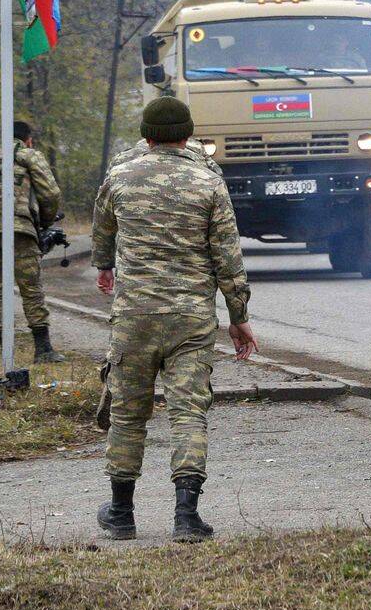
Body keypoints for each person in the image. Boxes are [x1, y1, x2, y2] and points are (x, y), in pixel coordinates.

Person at [92, 95, 256, 542]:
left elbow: (102, 226)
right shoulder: (208, 181)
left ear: (146, 135)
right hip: (190, 319)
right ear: (188, 135)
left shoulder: (120, 176)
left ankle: (122, 513)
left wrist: (105, 265)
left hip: (134, 317)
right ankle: (187, 516)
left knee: (128, 414)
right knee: (188, 413)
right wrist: (238, 316)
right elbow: (227, 256)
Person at [0, 119, 64, 364]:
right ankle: (43, 350)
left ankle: (4, 350)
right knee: (30, 288)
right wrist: (45, 221)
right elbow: (50, 193)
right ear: (27, 139)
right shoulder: (27, 153)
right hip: (18, 227)